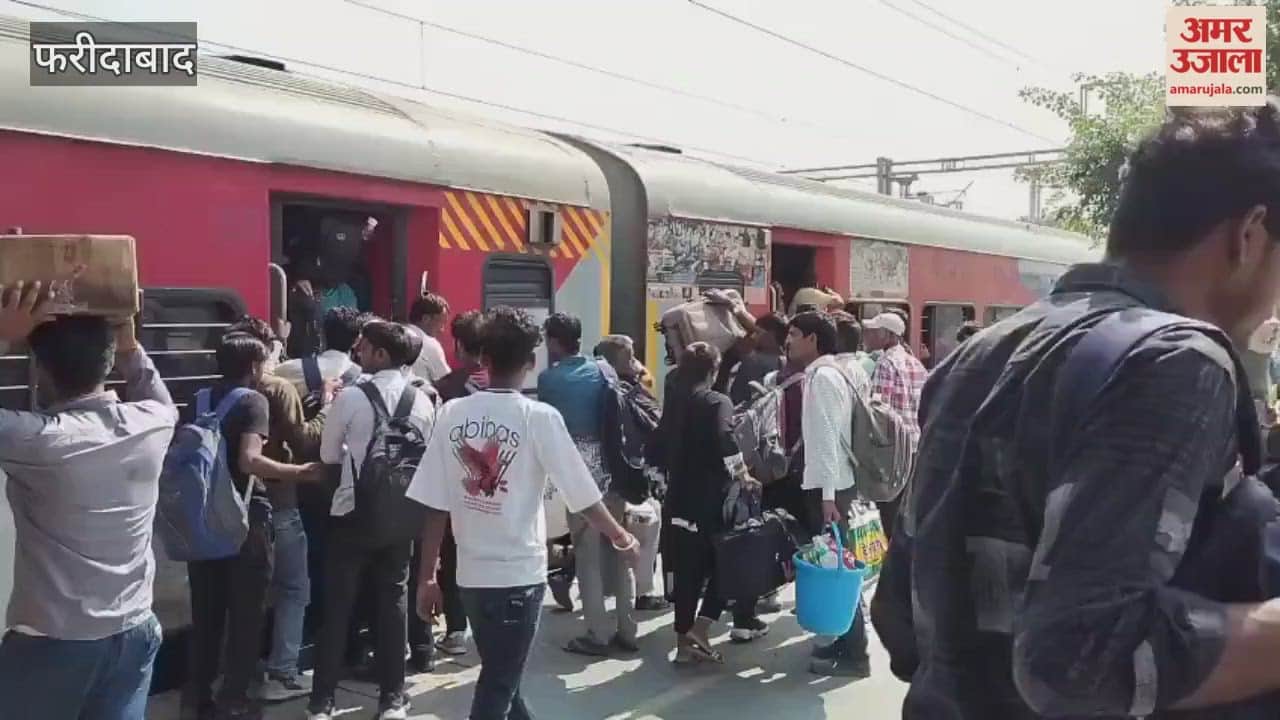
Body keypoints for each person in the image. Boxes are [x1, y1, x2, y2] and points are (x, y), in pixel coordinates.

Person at [873, 103, 1280, 718]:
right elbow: (1080, 660)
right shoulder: (1178, 359)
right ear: (1248, 236)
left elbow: (899, 619)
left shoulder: (976, 357)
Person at [409, 306, 640, 720]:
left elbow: (434, 503)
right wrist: (620, 537)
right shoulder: (539, 418)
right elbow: (583, 497)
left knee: (503, 678)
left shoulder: (451, 414)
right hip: (519, 578)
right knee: (499, 684)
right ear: (530, 364)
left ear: (484, 360)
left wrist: (428, 575)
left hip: (471, 578)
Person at [0, 285, 177, 720]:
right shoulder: (152, 423)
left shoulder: (39, 440)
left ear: (40, 369)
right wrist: (131, 346)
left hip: (53, 644)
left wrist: (3, 335)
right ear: (109, 358)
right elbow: (159, 396)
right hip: (135, 630)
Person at [185, 332, 324, 720]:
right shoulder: (254, 401)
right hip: (245, 521)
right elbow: (250, 460)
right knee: (246, 614)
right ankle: (234, 700)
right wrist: (301, 472)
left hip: (201, 521)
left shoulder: (197, 399)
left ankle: (197, 698)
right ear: (253, 367)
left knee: (207, 613)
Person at [308, 321, 437, 720]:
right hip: (402, 517)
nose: (358, 352)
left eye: (364, 348)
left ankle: (322, 703)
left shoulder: (351, 398)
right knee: (393, 603)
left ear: (381, 354)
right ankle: (392, 699)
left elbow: (329, 455)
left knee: (338, 606)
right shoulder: (423, 401)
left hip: (354, 515)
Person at [225, 316, 328, 702]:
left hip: (227, 508)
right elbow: (303, 442)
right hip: (278, 502)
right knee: (293, 588)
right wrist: (326, 405)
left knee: (242, 596)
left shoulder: (215, 391)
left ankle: (237, 673)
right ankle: (282, 672)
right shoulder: (278, 389)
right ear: (263, 352)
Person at [538, 313, 637, 657]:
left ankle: (597, 633)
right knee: (621, 549)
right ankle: (627, 628)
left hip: (577, 475)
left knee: (588, 556)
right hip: (612, 470)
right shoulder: (603, 370)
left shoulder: (549, 380)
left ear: (553, 341)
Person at [658, 342, 763, 663]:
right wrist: (743, 474)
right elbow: (724, 438)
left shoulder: (675, 403)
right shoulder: (717, 401)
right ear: (714, 371)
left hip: (676, 502)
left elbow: (656, 445)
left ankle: (684, 645)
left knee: (687, 571)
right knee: (727, 562)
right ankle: (701, 628)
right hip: (709, 501)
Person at [796, 311, 874, 678]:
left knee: (839, 568)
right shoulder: (844, 370)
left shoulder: (823, 377)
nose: (789, 341)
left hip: (831, 485)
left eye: (795, 334)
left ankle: (854, 652)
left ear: (813, 339)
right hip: (840, 480)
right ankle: (839, 643)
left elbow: (826, 438)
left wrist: (826, 496)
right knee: (839, 563)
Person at [408, 311, 486, 670]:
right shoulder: (505, 388)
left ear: (458, 346)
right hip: (495, 488)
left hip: (457, 489)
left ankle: (457, 630)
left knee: (453, 557)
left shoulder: (445, 388)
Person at [594, 334, 669, 612]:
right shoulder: (626, 391)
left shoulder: (598, 389)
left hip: (605, 476)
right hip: (631, 474)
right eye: (631, 356)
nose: (636, 361)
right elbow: (655, 424)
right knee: (648, 528)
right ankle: (644, 593)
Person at [862, 310, 927, 539]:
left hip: (893, 452)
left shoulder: (885, 364)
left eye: (873, 331)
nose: (868, 335)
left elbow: (879, 412)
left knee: (888, 515)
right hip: (916, 448)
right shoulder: (916, 364)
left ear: (887, 335)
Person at [276, 307, 362, 400]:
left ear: (321, 334)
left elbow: (265, 376)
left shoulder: (290, 369)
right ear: (357, 341)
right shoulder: (362, 378)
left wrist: (279, 342)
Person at [729, 313, 788, 407]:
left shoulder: (753, 362)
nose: (754, 337)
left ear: (771, 334)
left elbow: (737, 396)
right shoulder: (791, 360)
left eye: (758, 332)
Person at [408, 293, 452, 384]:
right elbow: (445, 382)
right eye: (441, 323)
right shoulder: (429, 344)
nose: (442, 330)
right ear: (425, 319)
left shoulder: (396, 336)